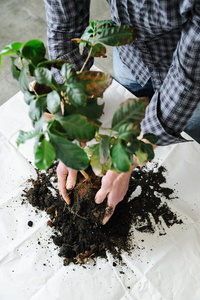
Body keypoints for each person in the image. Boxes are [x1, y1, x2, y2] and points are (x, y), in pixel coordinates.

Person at [43, 0, 200, 224]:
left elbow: (189, 75)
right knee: (127, 89)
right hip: (131, 55)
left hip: (192, 78)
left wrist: (132, 154)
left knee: (192, 143)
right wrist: (71, 112)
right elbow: (66, 27)